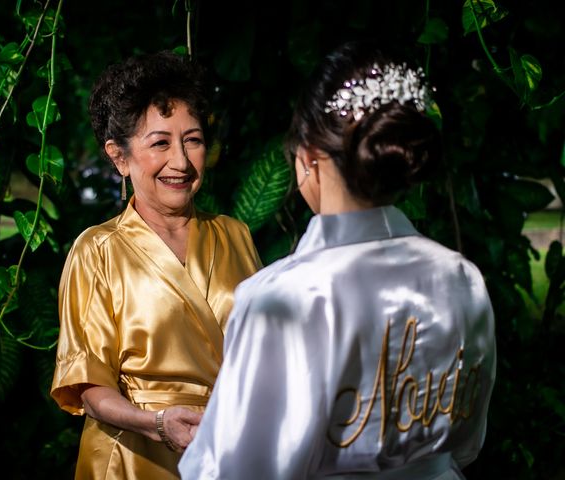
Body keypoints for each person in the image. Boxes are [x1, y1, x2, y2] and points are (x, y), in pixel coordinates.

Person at [179, 41, 496, 479]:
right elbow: (466, 441)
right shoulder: (461, 278)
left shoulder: (281, 299)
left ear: (308, 158)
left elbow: (239, 470)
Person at [50, 50, 262, 479]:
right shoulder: (98, 250)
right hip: (135, 455)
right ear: (120, 157)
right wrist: (158, 423)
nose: (181, 162)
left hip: (228, 452)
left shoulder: (235, 234)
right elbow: (90, 388)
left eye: (194, 140)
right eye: (160, 143)